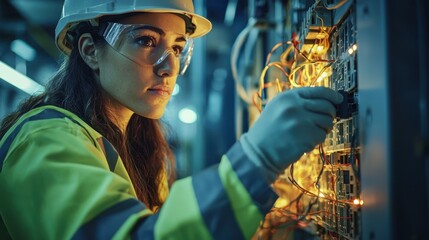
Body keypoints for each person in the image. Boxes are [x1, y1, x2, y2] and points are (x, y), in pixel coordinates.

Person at [0, 0, 343, 239]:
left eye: (178, 48)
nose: (169, 67)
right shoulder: (45, 142)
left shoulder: (136, 145)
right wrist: (255, 162)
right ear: (90, 50)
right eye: (146, 41)